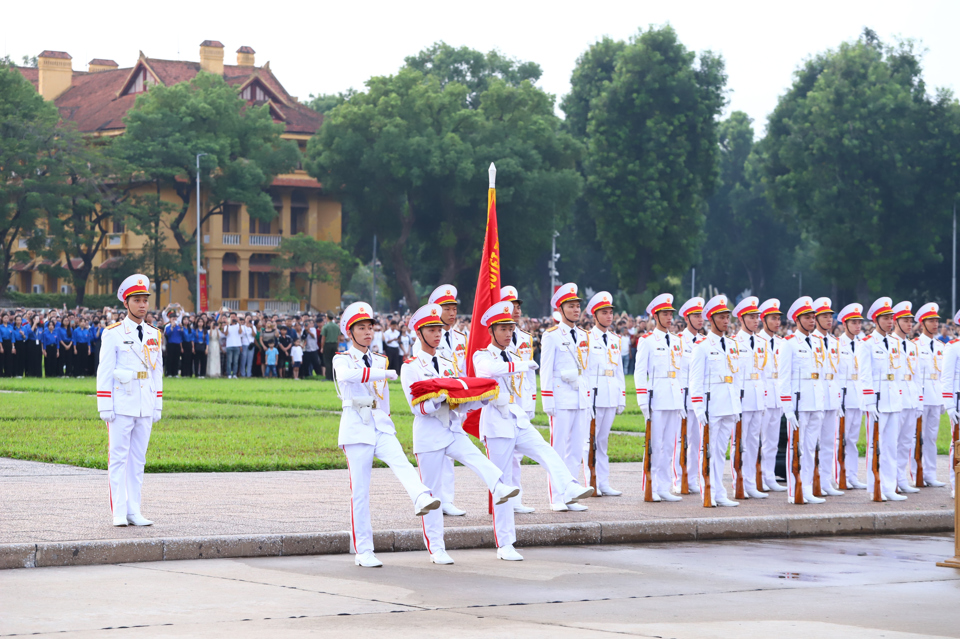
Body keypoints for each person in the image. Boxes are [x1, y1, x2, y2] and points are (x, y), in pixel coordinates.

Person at [401, 303, 520, 565]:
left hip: (452, 428)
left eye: (439, 329)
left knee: (480, 460)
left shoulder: (447, 362)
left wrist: (480, 400)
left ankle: (499, 488)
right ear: (418, 334)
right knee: (433, 495)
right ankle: (436, 548)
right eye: (431, 330)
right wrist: (438, 399)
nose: (437, 334)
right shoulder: (410, 366)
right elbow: (417, 407)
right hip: (429, 433)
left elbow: (459, 398)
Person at [475, 301, 594, 560]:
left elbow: (527, 384)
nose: (509, 333)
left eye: (511, 328)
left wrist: (528, 406)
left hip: (517, 418)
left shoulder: (517, 356)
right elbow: (492, 370)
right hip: (496, 425)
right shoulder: (482, 355)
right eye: (503, 328)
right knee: (503, 484)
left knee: (547, 451)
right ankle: (505, 543)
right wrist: (521, 365)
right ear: (491, 330)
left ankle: (568, 486)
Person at [333, 301, 440, 568]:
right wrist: (383, 372)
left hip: (379, 424)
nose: (368, 332)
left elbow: (384, 399)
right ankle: (364, 550)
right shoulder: (342, 358)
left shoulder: (381, 358)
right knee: (360, 491)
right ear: (350, 332)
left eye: (370, 327)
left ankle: (421, 497)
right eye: (361, 328)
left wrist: (388, 422)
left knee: (402, 462)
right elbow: (348, 376)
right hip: (356, 427)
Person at [96, 274, 163, 527]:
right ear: (126, 303)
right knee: (118, 458)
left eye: (145, 300)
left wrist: (157, 404)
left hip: (145, 403)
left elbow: (157, 371)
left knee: (138, 460)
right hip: (122, 403)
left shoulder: (154, 333)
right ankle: (119, 512)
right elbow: (104, 371)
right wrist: (105, 405)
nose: (142, 305)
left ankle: (134, 510)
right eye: (137, 300)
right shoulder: (113, 333)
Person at [415, 285, 469, 516]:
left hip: (455, 401)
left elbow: (464, 369)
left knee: (452, 452)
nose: (452, 313)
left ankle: (447, 498)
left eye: (454, 308)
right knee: (436, 453)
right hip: (434, 402)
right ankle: (434, 498)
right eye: (446, 308)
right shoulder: (425, 337)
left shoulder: (460, 337)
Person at [540, 283, 593, 511]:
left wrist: (588, 397)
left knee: (576, 449)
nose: (576, 310)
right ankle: (556, 496)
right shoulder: (551, 336)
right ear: (560, 310)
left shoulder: (583, 335)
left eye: (577, 306)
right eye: (571, 306)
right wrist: (548, 400)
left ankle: (571, 495)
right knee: (558, 448)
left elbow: (586, 369)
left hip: (580, 398)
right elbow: (545, 369)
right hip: (561, 398)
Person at [690, 295, 744, 507]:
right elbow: (695, 380)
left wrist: (737, 405)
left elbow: (736, 376)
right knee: (708, 450)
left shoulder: (731, 344)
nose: (726, 321)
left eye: (727, 317)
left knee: (721, 451)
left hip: (729, 404)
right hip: (711, 405)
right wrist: (698, 407)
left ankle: (720, 492)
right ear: (711, 320)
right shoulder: (702, 346)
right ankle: (708, 491)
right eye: (721, 317)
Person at [775, 296, 827, 505]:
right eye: (807, 317)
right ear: (797, 320)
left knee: (811, 447)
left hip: (815, 400)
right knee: (796, 448)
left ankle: (806, 488)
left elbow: (820, 374)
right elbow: (783, 378)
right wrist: (787, 408)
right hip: (799, 403)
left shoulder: (817, 342)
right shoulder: (789, 343)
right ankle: (794, 489)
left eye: (813, 317)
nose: (812, 321)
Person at [634, 293, 685, 502]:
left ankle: (664, 486)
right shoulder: (647, 340)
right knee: (655, 444)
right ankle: (651, 485)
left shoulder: (676, 341)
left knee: (669, 445)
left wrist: (681, 399)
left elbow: (681, 372)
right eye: (665, 314)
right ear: (655, 316)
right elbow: (639, 372)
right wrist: (642, 400)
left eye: (670, 314)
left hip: (673, 397)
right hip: (657, 397)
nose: (669, 318)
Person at [583, 291, 626, 496]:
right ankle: (589, 481)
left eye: (610, 312)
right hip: (595, 394)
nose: (609, 316)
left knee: (603, 441)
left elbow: (619, 371)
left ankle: (603, 482)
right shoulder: (587, 338)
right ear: (595, 315)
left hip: (610, 393)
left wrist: (621, 396)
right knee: (589, 440)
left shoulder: (615, 339)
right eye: (605, 312)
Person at [500, 286, 538, 513]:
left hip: (521, 398)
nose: (516, 310)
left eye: (518, 306)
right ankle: (505, 497)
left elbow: (530, 374)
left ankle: (516, 498)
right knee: (504, 451)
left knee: (518, 453)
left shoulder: (525, 337)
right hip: (503, 400)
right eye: (511, 305)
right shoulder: (495, 337)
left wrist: (531, 402)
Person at [865, 297, 905, 501]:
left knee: (891, 445)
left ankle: (889, 487)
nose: (891, 322)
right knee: (875, 446)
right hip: (877, 400)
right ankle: (875, 487)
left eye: (892, 318)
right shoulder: (867, 344)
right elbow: (865, 375)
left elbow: (899, 374)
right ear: (876, 320)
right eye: (886, 318)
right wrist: (869, 401)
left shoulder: (895, 343)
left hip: (892, 399)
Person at [732, 296, 768, 499]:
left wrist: (763, 397)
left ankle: (751, 482)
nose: (756, 321)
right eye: (752, 317)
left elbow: (763, 372)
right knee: (740, 441)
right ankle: (738, 482)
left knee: (754, 440)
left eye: (757, 317)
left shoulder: (762, 342)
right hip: (743, 397)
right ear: (742, 319)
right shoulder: (734, 343)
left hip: (757, 396)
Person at [811, 297, 845, 497]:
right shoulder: (810, 340)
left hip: (832, 394)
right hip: (816, 394)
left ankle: (825, 481)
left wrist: (838, 398)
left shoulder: (834, 342)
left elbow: (838, 372)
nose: (828, 320)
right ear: (815, 319)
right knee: (811, 442)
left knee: (828, 441)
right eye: (824, 316)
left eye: (830, 316)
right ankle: (812, 481)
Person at [911, 303, 946, 488]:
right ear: (922, 323)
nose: (935, 324)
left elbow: (941, 375)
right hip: (921, 395)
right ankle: (916, 472)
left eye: (937, 321)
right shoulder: (915, 345)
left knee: (931, 437)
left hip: (935, 395)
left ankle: (930, 473)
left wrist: (942, 398)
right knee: (917, 436)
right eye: (931, 321)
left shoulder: (941, 345)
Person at [836, 303, 870, 490]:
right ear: (845, 323)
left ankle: (852, 475)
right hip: (844, 395)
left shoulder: (862, 344)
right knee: (840, 438)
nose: (858, 326)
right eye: (854, 322)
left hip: (857, 395)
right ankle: (838, 474)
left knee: (853, 439)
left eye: (859, 322)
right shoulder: (836, 344)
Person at [676, 297, 706, 494]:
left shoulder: (704, 341)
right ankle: (679, 479)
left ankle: (692, 478)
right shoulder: (678, 341)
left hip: (699, 398)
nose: (700, 319)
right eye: (696, 316)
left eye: (701, 315)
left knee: (697, 440)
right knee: (680, 440)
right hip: (683, 397)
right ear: (687, 319)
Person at [758, 299, 787, 492]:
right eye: (773, 318)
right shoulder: (755, 341)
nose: (777, 322)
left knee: (773, 440)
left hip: (777, 395)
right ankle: (755, 476)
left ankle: (769, 476)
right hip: (761, 395)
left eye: (778, 319)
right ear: (764, 319)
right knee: (756, 440)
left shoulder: (781, 343)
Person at [321, 313, 339, 381]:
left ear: (327, 318)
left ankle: (328, 377)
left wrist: (322, 347)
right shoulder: (336, 326)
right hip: (334, 344)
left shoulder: (325, 326)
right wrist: (337, 346)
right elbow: (338, 337)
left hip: (327, 344)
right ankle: (333, 377)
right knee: (333, 361)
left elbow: (323, 338)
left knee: (327, 361)